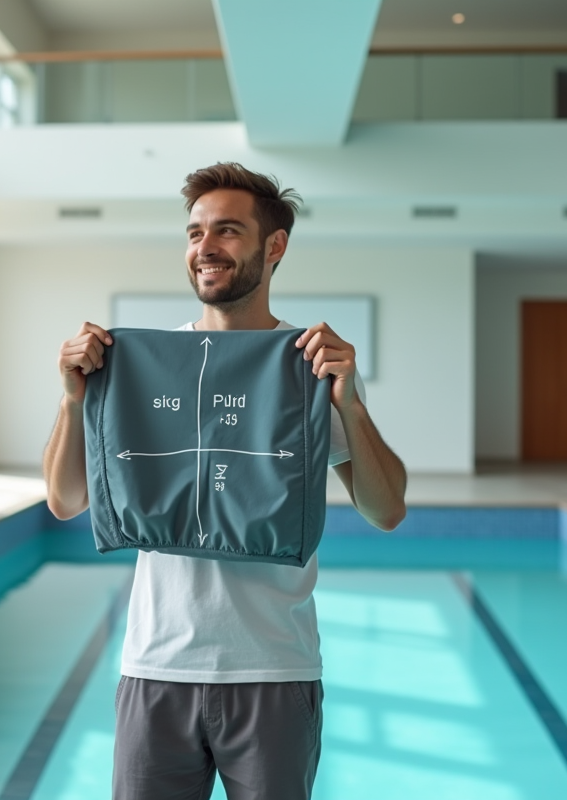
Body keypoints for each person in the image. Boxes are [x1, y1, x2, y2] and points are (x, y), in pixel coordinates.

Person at [43, 162, 408, 800]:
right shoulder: (135, 369)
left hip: (274, 669)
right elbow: (66, 500)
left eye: (228, 231)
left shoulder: (310, 370)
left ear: (274, 247)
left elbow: (386, 510)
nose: (205, 248)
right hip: (157, 666)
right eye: (194, 233)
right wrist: (75, 401)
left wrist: (350, 403)